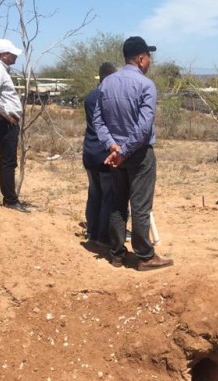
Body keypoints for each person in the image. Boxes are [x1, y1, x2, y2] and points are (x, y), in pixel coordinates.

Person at [93, 36, 173, 271]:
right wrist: (125, 151)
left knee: (118, 204)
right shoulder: (146, 85)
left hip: (116, 155)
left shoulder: (106, 83)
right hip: (138, 155)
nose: (149, 61)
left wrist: (113, 147)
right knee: (140, 205)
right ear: (140, 59)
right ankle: (145, 256)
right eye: (148, 57)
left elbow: (98, 120)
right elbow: (144, 126)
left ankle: (117, 254)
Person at [0, 38, 29, 212]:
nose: (15, 57)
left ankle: (10, 198)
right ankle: (10, 200)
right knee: (8, 161)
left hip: (5, 119)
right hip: (4, 121)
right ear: (4, 54)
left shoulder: (0, 68)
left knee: (7, 160)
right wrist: (5, 113)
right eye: (13, 54)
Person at [83, 62, 118, 246]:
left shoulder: (90, 96)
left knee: (94, 194)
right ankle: (104, 236)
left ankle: (92, 232)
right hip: (104, 153)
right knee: (107, 196)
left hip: (89, 151)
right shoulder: (108, 97)